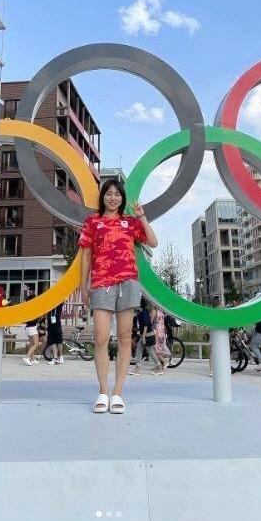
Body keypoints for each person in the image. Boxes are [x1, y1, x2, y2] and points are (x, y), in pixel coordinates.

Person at [78, 177, 158, 413]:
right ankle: (102, 391)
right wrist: (84, 285)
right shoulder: (92, 222)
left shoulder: (130, 222)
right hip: (101, 283)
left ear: (122, 198)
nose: (113, 198)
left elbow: (153, 242)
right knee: (101, 337)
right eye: (108, 193)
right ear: (102, 197)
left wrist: (141, 215)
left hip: (128, 283)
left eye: (117, 194)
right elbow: (85, 254)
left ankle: (118, 393)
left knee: (124, 338)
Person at [132, 298, 163, 374]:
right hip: (145, 335)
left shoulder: (144, 313)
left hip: (148, 336)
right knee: (139, 351)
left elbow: (146, 325)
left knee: (150, 352)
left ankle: (159, 367)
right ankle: (137, 369)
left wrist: (143, 337)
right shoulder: (140, 313)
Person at [22, 289, 40, 366]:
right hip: (32, 327)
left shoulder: (27, 308)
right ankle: (27, 357)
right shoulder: (33, 308)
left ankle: (32, 358)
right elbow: (32, 319)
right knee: (36, 344)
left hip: (28, 328)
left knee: (31, 343)